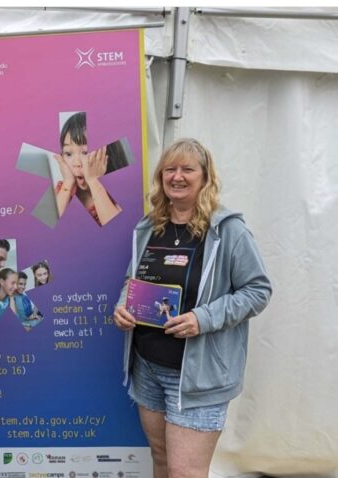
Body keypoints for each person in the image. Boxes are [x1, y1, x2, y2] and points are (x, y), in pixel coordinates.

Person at [113, 138, 272, 478]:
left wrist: (203, 319)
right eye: (170, 169)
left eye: (187, 169)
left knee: (185, 472)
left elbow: (258, 290)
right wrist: (122, 306)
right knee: (160, 459)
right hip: (148, 368)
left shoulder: (228, 231)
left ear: (204, 176)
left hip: (197, 377)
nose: (178, 176)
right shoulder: (149, 227)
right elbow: (132, 279)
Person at [53, 112, 121, 226]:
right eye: (68, 154)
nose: (77, 163)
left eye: (85, 152)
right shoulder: (61, 191)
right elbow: (46, 230)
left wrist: (93, 180)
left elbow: (117, 228)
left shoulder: (115, 191)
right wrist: (68, 183)